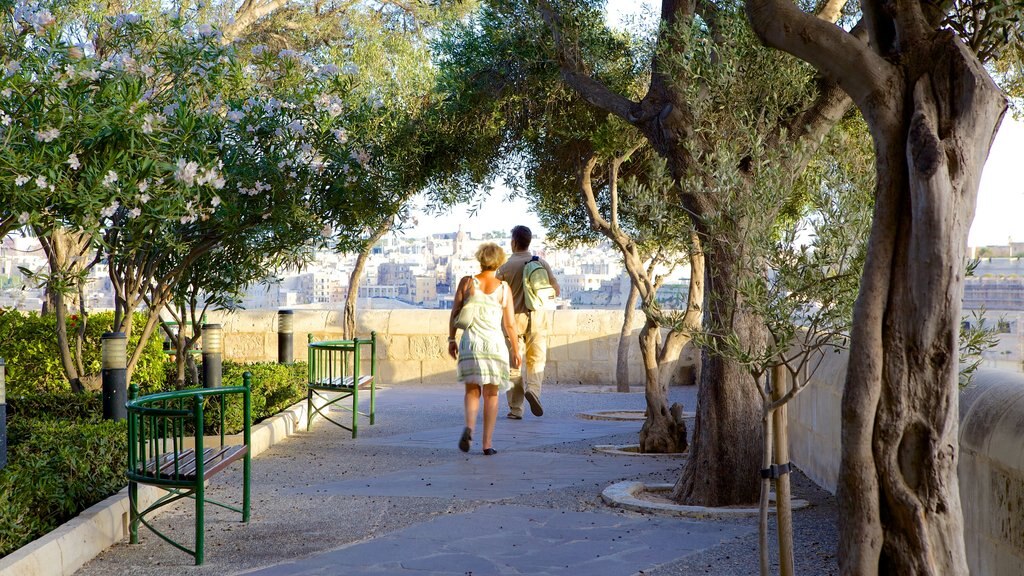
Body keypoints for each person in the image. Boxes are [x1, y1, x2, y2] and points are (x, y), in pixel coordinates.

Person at [448, 242, 521, 455]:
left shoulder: (466, 282)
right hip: (495, 345)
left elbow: (454, 314)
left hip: (471, 344)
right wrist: (516, 350)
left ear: (480, 259)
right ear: (499, 261)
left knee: (472, 391)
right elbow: (509, 325)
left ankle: (469, 427)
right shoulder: (504, 288)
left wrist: (451, 340)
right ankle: (487, 444)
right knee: (492, 394)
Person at [496, 225, 560, 420]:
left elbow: (496, 297)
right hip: (538, 318)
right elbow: (555, 290)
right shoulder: (540, 263)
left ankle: (516, 409)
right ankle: (533, 391)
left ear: (514, 242)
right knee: (536, 360)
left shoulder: (505, 268)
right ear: (529, 242)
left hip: (513, 321)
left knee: (514, 364)